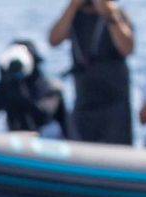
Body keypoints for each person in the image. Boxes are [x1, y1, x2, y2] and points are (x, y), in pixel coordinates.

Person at [47, 0, 134, 143]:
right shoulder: (75, 16)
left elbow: (127, 47)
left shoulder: (117, 14)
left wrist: (110, 15)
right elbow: (54, 39)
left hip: (114, 104)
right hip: (84, 102)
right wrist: (72, 6)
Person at [0, 39, 67, 133]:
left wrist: (24, 96)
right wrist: (3, 84)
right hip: (16, 138)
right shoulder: (7, 87)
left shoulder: (51, 88)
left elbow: (43, 116)